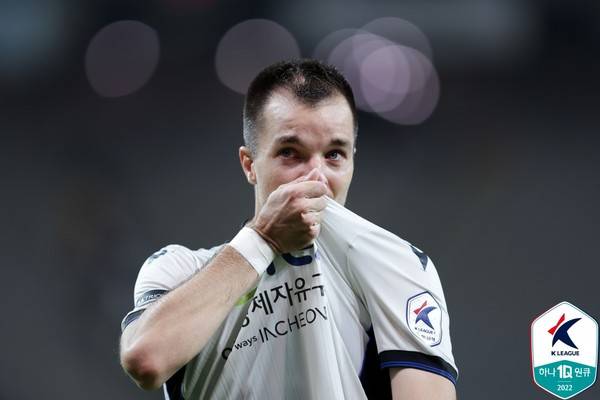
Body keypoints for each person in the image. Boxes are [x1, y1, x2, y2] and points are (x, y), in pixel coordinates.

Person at [119, 59, 458, 399]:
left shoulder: (396, 266)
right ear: (249, 164)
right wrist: (263, 238)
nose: (316, 176)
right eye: (290, 153)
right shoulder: (178, 269)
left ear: (353, 161)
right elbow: (145, 360)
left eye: (334, 155)